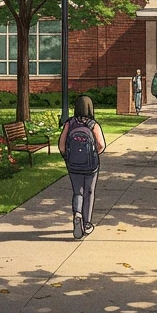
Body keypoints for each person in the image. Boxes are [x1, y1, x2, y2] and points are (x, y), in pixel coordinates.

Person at [58, 94, 107, 239]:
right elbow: (101, 145)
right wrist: (93, 155)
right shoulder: (93, 125)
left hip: (73, 165)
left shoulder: (69, 123)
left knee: (77, 192)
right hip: (91, 165)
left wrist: (67, 157)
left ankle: (77, 214)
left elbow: (61, 146)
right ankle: (87, 223)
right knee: (89, 192)